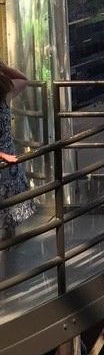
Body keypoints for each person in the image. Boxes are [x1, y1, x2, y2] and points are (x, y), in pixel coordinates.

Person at [0, 61, 37, 236]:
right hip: (8, 161)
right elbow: (23, 79)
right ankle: (9, 246)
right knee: (10, 214)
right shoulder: (5, 92)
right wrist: (3, 66)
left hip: (5, 158)